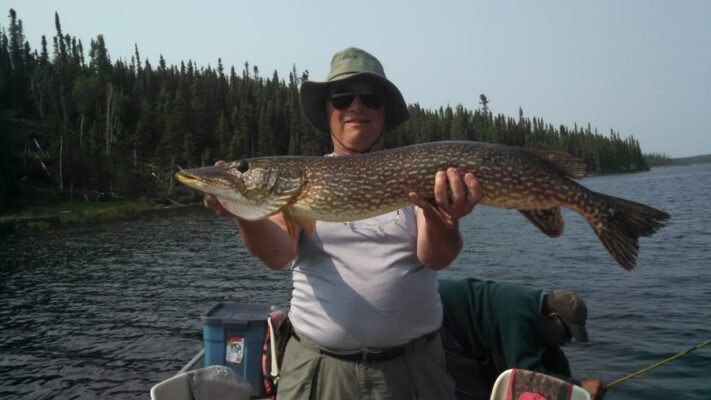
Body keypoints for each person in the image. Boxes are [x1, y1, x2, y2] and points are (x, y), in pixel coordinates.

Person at [204, 47, 481, 399]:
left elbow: (437, 258)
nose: (356, 106)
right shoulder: (300, 179)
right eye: (342, 98)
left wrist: (447, 218)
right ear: (327, 110)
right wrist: (243, 211)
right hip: (319, 370)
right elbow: (277, 254)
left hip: (410, 371)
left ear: (384, 112)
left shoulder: (418, 173)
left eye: (370, 98)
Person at [438, 278, 606, 400]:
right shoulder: (518, 317)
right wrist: (578, 387)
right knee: (478, 392)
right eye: (568, 333)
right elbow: (525, 376)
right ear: (553, 318)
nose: (567, 341)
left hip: (463, 328)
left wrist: (578, 393)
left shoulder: (540, 315)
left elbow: (555, 363)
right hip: (442, 321)